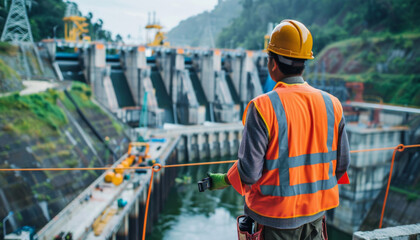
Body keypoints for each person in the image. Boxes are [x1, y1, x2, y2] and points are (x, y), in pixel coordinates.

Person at [207, 19, 350, 239]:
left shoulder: (262, 107)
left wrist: (225, 179)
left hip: (275, 222)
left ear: (273, 63)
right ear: (304, 61)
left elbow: (249, 173)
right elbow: (342, 164)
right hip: (316, 217)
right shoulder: (333, 104)